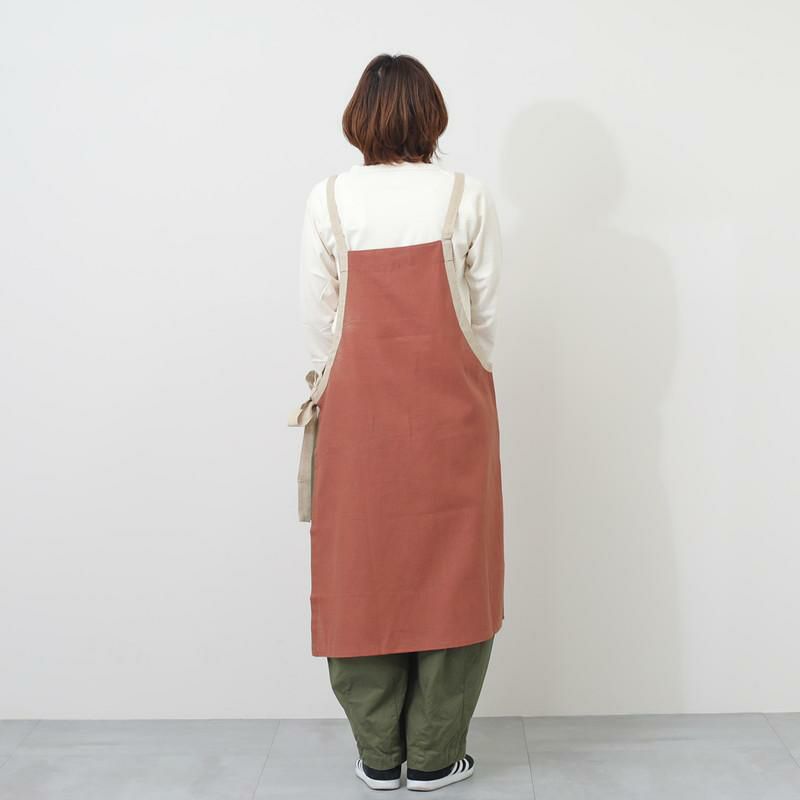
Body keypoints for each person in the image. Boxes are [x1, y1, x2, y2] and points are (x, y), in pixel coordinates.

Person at [289, 53, 505, 793]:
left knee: (359, 574)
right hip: (454, 419)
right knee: (456, 575)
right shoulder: (465, 196)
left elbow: (320, 329)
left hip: (358, 423)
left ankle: (379, 756)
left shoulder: (329, 201)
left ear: (359, 118)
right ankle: (437, 755)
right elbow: (486, 322)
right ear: (432, 115)